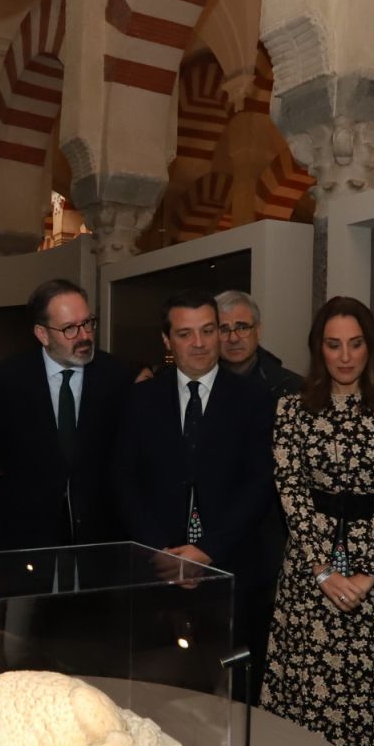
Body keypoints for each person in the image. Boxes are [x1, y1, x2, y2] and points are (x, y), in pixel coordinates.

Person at [263, 296, 374, 746]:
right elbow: (289, 489)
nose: (346, 355)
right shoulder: (291, 408)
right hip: (309, 566)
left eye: (355, 343)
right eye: (334, 345)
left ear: (370, 346)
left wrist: (368, 574)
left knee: (368, 689)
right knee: (307, 690)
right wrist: (320, 571)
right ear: (320, 349)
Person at [116, 290, 278, 692]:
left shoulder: (256, 400)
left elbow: (261, 484)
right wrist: (162, 552)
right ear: (167, 340)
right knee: (164, 694)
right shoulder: (138, 400)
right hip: (158, 574)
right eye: (186, 333)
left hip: (234, 569)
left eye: (209, 330)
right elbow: (123, 480)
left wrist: (207, 551)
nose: (200, 343)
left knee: (238, 694)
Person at [0, 278, 130, 550]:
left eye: (87, 323)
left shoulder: (116, 375)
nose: (84, 336)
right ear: (42, 334)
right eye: (70, 328)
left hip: (102, 537)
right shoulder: (5, 380)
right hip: (27, 537)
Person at [215, 289, 302, 398]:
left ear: (258, 331)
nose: (233, 338)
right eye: (224, 329)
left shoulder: (292, 388)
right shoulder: (198, 383)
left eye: (242, 328)